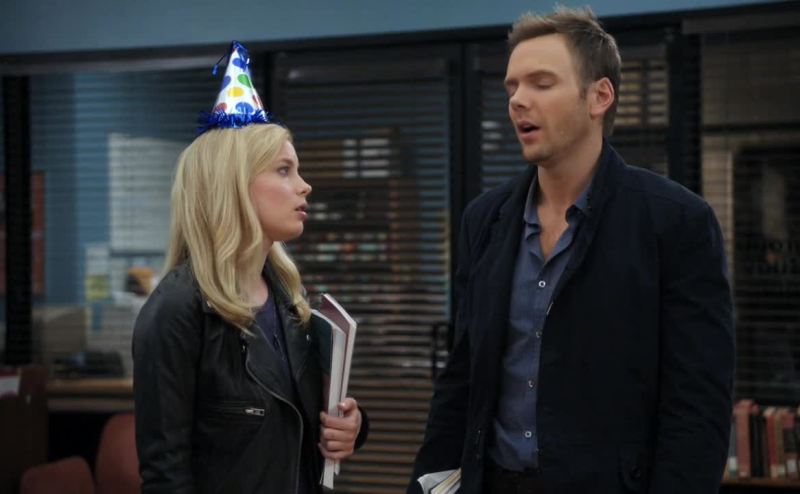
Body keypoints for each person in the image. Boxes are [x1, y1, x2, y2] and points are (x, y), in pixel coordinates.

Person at [409, 8, 734, 494]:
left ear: (599, 96)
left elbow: (698, 406)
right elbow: (461, 381)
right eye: (512, 87)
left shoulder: (675, 221)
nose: (518, 100)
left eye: (541, 84)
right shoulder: (485, 219)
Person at [133, 41, 367, 493]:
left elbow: (295, 425)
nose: (304, 186)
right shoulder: (177, 312)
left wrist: (351, 427)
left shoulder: (287, 298)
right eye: (284, 170)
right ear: (234, 185)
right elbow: (166, 476)